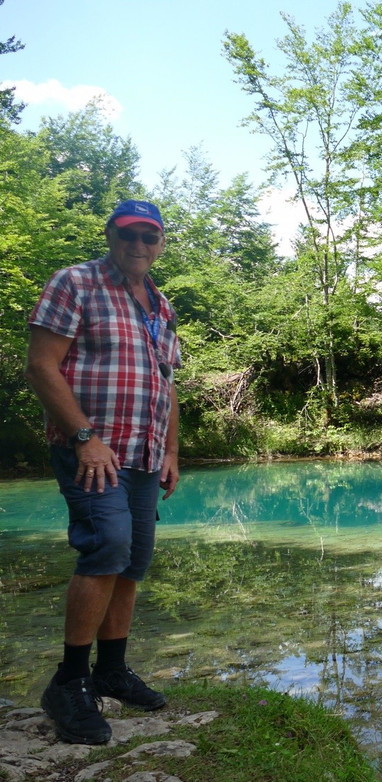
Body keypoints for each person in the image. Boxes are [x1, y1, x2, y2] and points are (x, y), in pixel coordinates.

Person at [24, 199, 181, 745]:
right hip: (93, 449)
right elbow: (41, 365)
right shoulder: (75, 283)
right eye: (128, 234)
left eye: (149, 236)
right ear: (111, 235)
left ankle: (111, 670)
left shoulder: (161, 305)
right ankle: (69, 682)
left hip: (144, 453)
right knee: (107, 545)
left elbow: (167, 384)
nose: (138, 244)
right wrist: (83, 437)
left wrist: (171, 451)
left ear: (160, 243)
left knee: (133, 560)